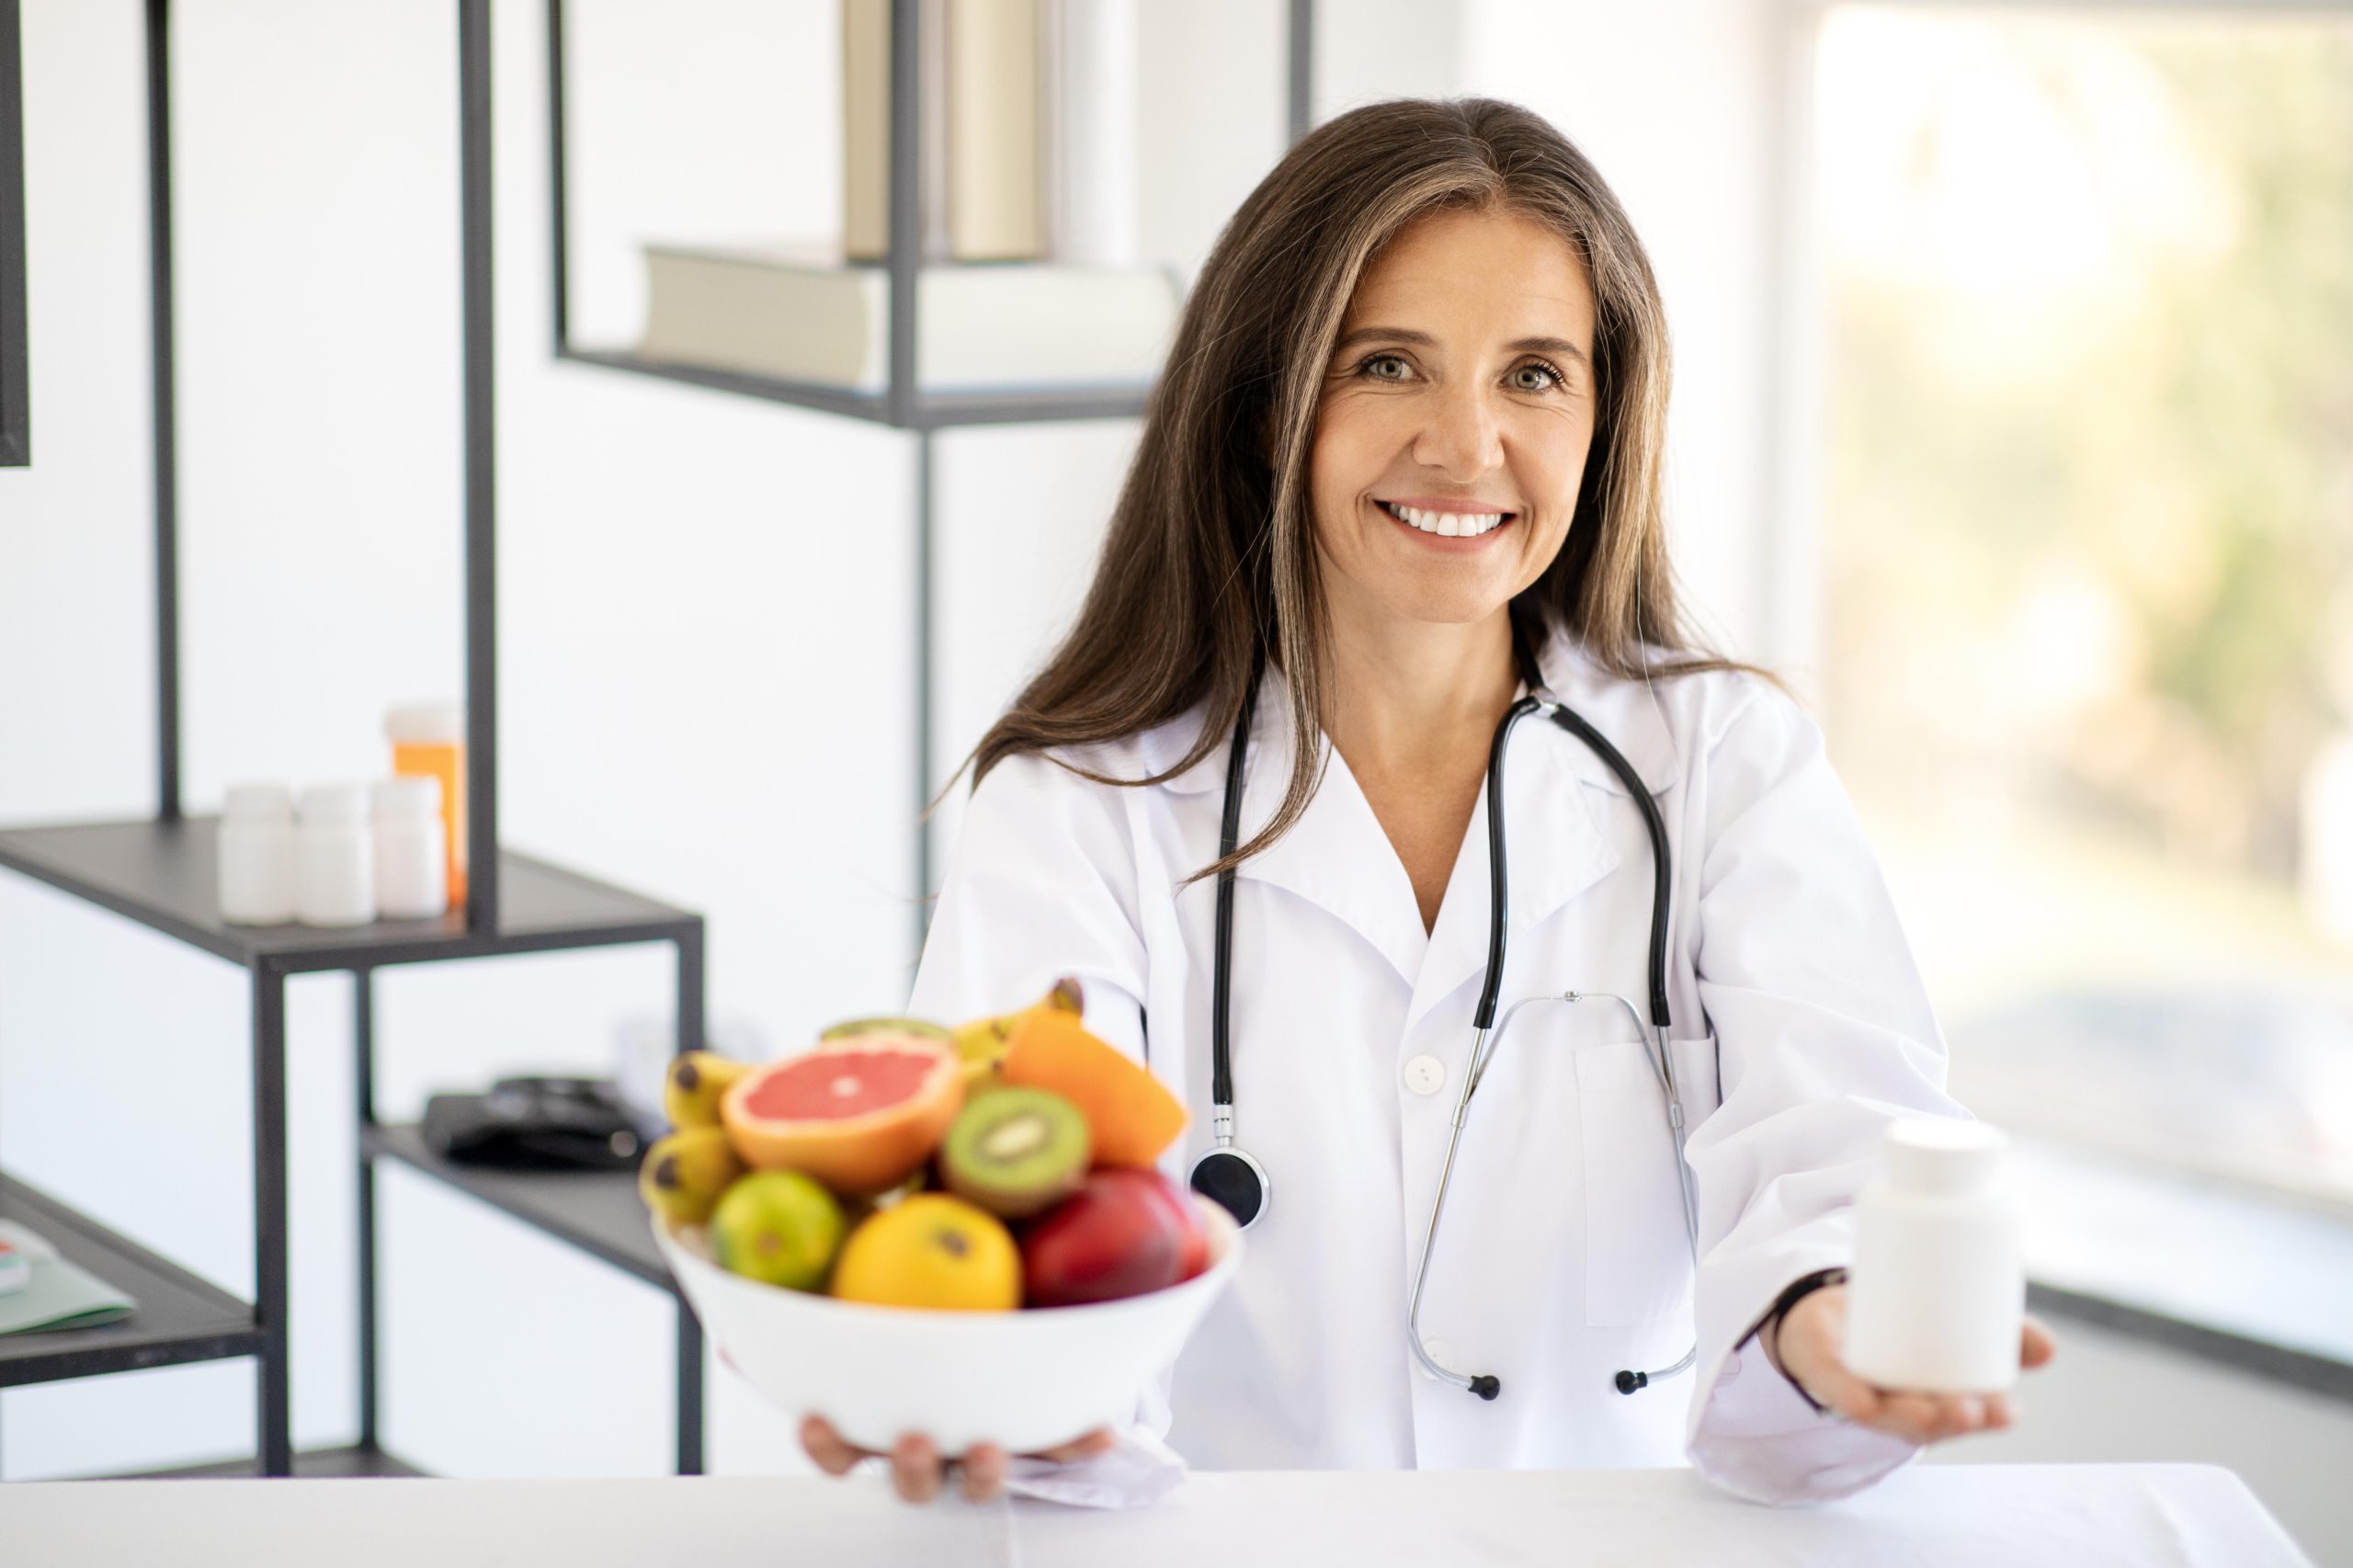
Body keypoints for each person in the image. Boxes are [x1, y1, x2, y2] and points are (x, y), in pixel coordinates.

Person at [801, 96, 2055, 1507]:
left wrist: (1838, 1322)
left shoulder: (1726, 765)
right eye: (1391, 364)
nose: (1467, 447)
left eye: (1534, 376)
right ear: (1269, 405)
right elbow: (1006, 1222)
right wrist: (987, 1388)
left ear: (1603, 416)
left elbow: (1840, 1141)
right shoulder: (1086, 805)